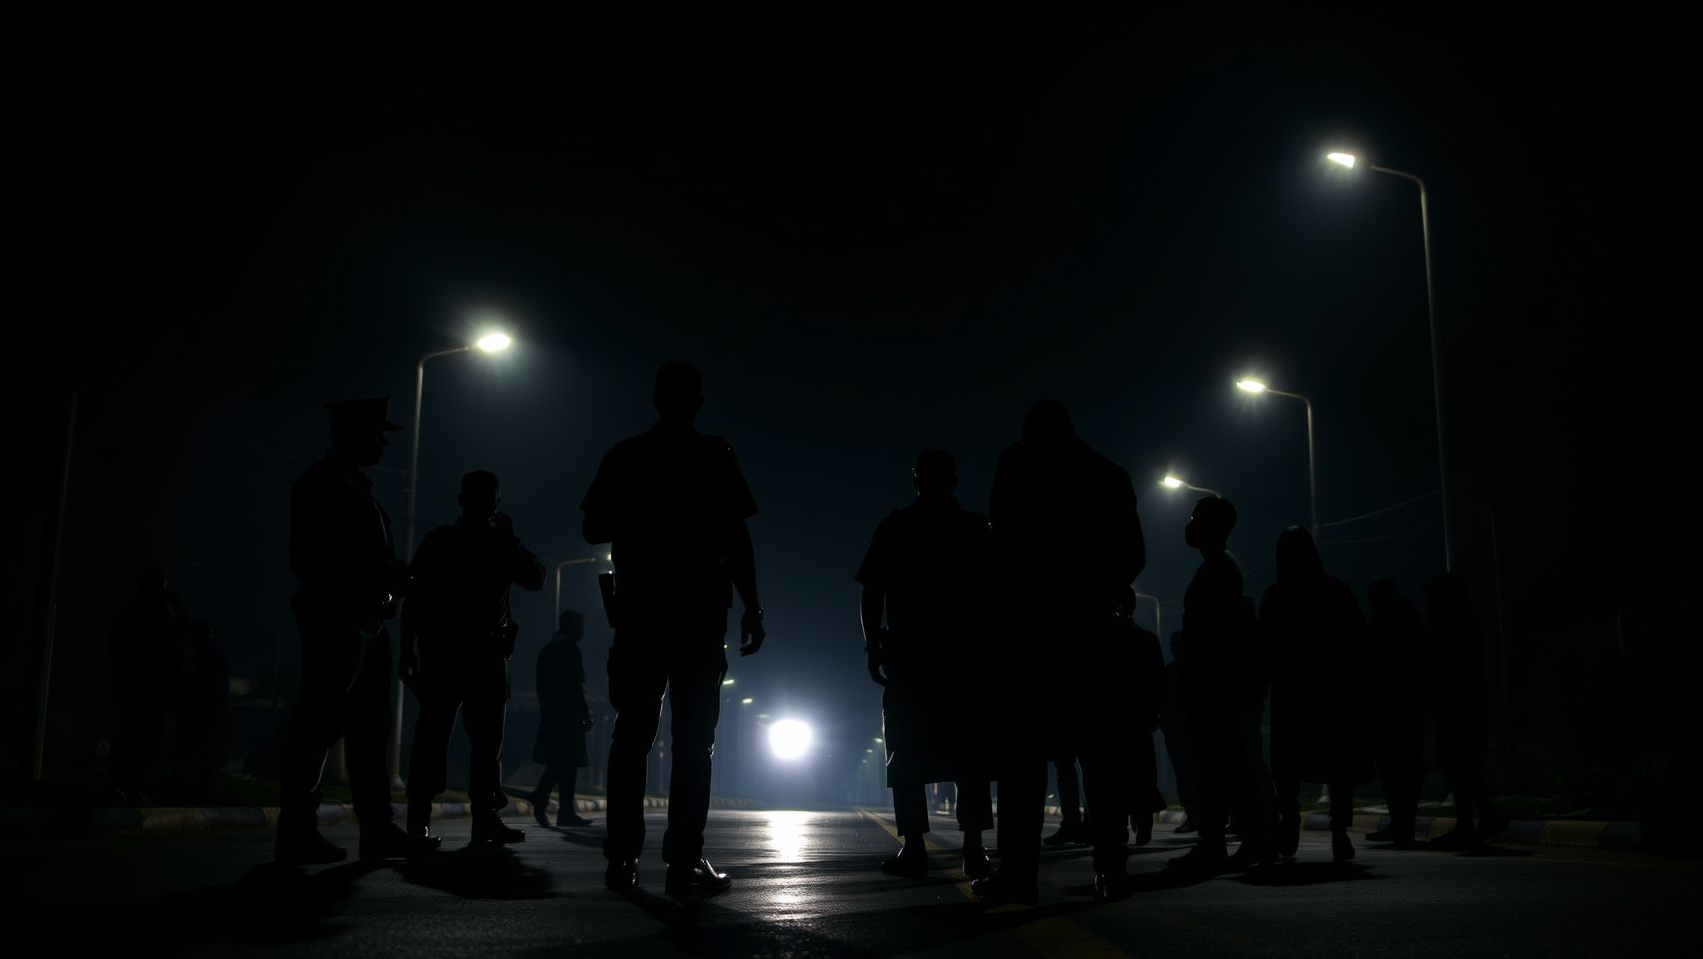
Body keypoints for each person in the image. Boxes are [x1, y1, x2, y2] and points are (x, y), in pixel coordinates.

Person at [581, 360, 765, 897]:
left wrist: (640, 513)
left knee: (631, 736)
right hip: (699, 616)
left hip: (641, 614)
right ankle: (683, 861)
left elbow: (592, 526)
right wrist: (753, 607)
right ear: (698, 401)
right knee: (692, 742)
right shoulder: (715, 455)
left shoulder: (626, 455)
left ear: (656, 399)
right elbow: (738, 537)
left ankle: (622, 859)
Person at [974, 400, 1145, 905]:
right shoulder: (1109, 474)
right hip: (1091, 632)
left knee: (1023, 759)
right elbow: (1134, 554)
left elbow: (1000, 545)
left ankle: (1018, 873)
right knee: (1100, 756)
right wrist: (1102, 590)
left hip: (1029, 633)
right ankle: (1111, 869)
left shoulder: (1016, 463)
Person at [276, 396, 429, 865]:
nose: (383, 442)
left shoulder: (352, 485)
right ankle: (298, 830)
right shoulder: (325, 484)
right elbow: (317, 556)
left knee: (369, 730)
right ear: (352, 433)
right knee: (320, 722)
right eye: (377, 433)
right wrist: (386, 572)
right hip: (338, 617)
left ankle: (376, 830)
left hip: (365, 620)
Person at [857, 448, 996, 880]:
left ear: (916, 481)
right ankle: (973, 849)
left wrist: (873, 646)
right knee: (969, 753)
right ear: (954, 482)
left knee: (907, 750)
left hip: (911, 657)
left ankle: (915, 848)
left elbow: (871, 592)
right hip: (966, 657)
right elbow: (999, 595)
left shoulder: (896, 526)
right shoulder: (978, 528)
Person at [400, 469, 545, 846]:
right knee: (461, 740)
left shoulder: (461, 542)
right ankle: (442, 819)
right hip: (460, 654)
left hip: (464, 655)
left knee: (468, 741)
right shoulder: (463, 543)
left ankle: (441, 819)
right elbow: (414, 597)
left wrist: (406, 649)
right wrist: (406, 649)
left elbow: (536, 578)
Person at [1168, 496, 1273, 878]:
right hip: (1212, 685)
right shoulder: (1216, 567)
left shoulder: (1220, 569)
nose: (1189, 525)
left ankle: (1230, 841)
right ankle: (1227, 840)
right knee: (1218, 767)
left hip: (1216, 686)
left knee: (1221, 766)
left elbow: (1218, 636)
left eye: (1196, 518)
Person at [1261, 527, 1375, 862]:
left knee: (1289, 767)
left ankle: (1290, 826)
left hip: (1293, 695)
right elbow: (1359, 642)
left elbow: (1263, 646)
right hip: (1331, 694)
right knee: (1337, 767)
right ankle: (1339, 834)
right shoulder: (1336, 591)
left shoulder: (1276, 596)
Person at [1426, 572, 1506, 848]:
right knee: (1462, 765)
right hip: (1463, 704)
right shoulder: (1465, 621)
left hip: (1457, 705)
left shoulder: (1453, 625)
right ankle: (1479, 818)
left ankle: (1474, 820)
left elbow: (1447, 666)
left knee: (1458, 765)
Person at [109, 569, 188, 804]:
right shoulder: (138, 614)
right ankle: (123, 784)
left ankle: (134, 785)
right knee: (133, 737)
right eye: (159, 586)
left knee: (146, 739)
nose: (163, 591)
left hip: (152, 688)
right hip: (139, 686)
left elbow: (177, 641)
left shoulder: (161, 613)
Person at [1364, 578, 1426, 847]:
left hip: (1391, 706)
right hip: (1407, 705)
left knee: (1394, 767)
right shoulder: (1408, 619)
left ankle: (1402, 822)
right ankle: (1403, 822)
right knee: (1404, 767)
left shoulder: (1384, 623)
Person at [529, 611, 597, 828]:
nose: (582, 631)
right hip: (568, 716)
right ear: (570, 626)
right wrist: (585, 715)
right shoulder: (569, 649)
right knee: (567, 763)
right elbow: (575, 687)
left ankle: (553, 803)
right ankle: (553, 803)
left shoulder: (548, 650)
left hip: (551, 715)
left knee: (562, 763)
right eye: (580, 626)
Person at [179, 619, 230, 799]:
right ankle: (202, 785)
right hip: (205, 710)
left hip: (202, 710)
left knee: (202, 749)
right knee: (204, 749)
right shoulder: (210, 657)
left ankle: (200, 785)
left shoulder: (201, 658)